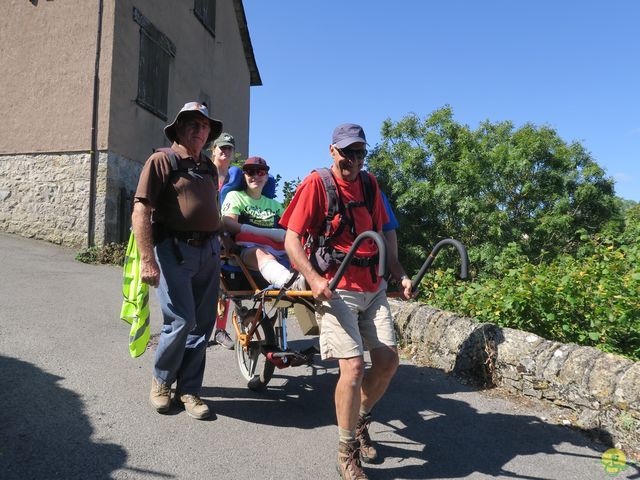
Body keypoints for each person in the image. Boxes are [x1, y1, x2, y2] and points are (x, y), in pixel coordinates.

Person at [280, 123, 413, 479]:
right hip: (337, 287)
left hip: (373, 286)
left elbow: (385, 236)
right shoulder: (317, 184)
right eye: (347, 153)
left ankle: (360, 421)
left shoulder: (370, 185)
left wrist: (398, 274)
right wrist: (314, 277)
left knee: (387, 362)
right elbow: (291, 240)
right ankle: (346, 450)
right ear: (332, 151)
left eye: (360, 153)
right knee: (353, 368)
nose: (353, 160)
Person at [131, 101, 223, 420]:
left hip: (209, 252)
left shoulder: (208, 167)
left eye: (205, 126)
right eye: (193, 124)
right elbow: (141, 210)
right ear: (180, 129)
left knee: (203, 324)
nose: (200, 130)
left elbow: (212, 210)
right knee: (181, 320)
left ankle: (189, 389)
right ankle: (162, 380)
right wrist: (147, 259)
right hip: (175, 250)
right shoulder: (162, 160)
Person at [221, 156, 304, 290]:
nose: (255, 176)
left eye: (260, 172)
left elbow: (291, 229)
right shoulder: (235, 196)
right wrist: (268, 233)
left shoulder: (275, 204)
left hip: (278, 249)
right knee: (261, 253)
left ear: (266, 177)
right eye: (250, 172)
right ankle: (289, 283)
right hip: (246, 249)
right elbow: (228, 223)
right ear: (244, 176)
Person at [209, 132, 238, 349]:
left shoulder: (236, 176)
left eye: (229, 148)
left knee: (224, 284)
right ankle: (193, 330)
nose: (224, 151)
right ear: (214, 149)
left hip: (225, 236)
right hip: (204, 232)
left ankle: (220, 330)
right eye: (221, 147)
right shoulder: (204, 170)